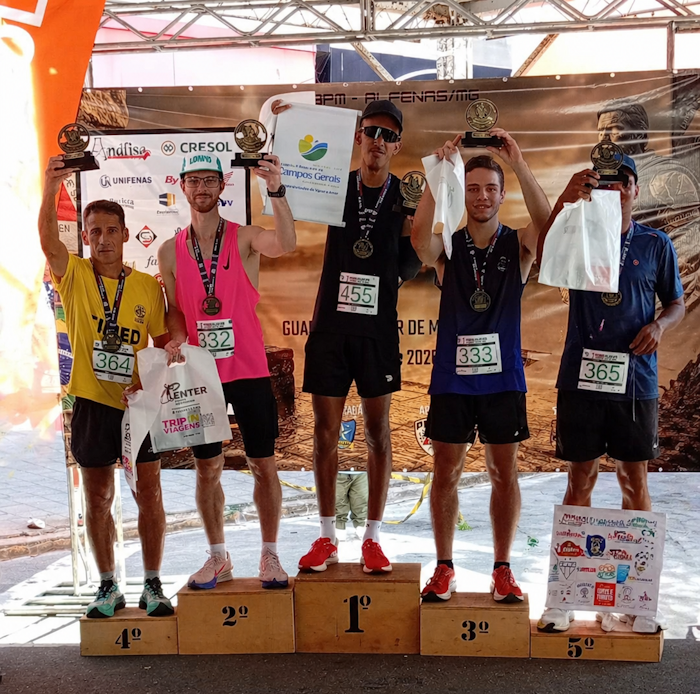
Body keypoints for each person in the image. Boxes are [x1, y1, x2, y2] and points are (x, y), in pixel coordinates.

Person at [271, 99, 422, 573]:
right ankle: (327, 536)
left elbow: (414, 260)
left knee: (379, 432)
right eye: (371, 131)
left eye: (388, 135)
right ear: (358, 138)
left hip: (377, 331)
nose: (378, 141)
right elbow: (289, 184)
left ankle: (373, 538)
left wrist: (399, 260)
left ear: (397, 146)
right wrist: (284, 120)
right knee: (324, 433)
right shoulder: (334, 183)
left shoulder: (406, 195)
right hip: (330, 329)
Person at [536, 156, 685, 634]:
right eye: (605, 183)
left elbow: (676, 303)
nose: (616, 189)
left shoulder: (655, 244)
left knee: (633, 483)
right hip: (581, 379)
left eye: (624, 182)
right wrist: (566, 199)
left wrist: (660, 326)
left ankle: (636, 599)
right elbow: (542, 255)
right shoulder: (576, 231)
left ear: (636, 190)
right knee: (579, 481)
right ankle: (563, 598)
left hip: (635, 383)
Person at [411, 132, 551, 602]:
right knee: (446, 472)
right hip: (453, 381)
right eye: (473, 189)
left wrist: (520, 163)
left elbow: (547, 225)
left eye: (491, 188)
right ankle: (444, 567)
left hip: (503, 379)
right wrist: (438, 176)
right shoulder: (449, 248)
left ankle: (502, 568)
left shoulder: (518, 245)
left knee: (504, 473)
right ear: (463, 193)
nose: (482, 196)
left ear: (502, 194)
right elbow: (419, 240)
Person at [39, 157, 173, 619]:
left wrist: (154, 380)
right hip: (92, 404)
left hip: (137, 408)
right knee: (98, 498)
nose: (103, 239)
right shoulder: (73, 274)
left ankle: (152, 584)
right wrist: (51, 186)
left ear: (125, 234)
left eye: (111, 230)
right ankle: (107, 585)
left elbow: (162, 345)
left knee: (149, 494)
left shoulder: (147, 288)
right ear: (84, 237)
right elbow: (47, 242)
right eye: (94, 231)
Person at [157, 152, 295, 590]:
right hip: (201, 376)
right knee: (207, 468)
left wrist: (276, 190)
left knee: (263, 465)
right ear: (182, 186)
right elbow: (174, 310)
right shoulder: (169, 250)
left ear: (222, 186)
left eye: (209, 180)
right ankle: (218, 556)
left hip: (248, 369)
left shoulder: (244, 237)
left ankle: (270, 555)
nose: (201, 188)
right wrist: (176, 337)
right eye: (194, 180)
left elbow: (287, 243)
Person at [335, 471, 369, 541]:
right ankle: (339, 528)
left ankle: (361, 526)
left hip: (361, 471)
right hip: (337, 471)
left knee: (361, 500)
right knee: (338, 500)